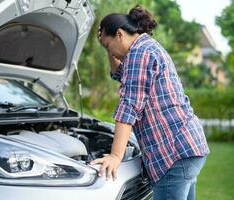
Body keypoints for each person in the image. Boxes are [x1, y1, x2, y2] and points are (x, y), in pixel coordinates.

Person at [90, 5, 210, 200]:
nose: (109, 50)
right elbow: (119, 74)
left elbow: (129, 105)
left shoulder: (139, 54)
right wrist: (108, 47)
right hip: (186, 147)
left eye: (108, 44)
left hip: (174, 153)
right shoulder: (144, 49)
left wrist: (115, 156)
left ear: (120, 34)